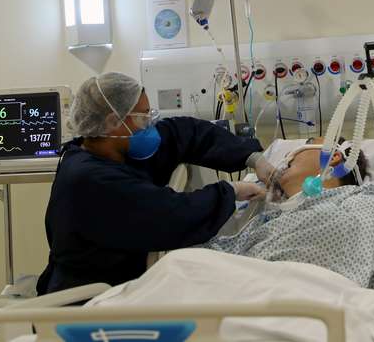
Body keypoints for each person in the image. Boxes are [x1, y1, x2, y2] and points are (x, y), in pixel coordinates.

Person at [37, 72, 268, 294]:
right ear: (113, 121)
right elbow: (172, 214)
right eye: (143, 117)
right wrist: (229, 192)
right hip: (90, 298)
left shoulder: (117, 150)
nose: (150, 123)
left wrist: (251, 156)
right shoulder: (89, 179)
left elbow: (185, 133)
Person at [202, 136, 374, 297]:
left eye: (308, 143)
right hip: (248, 299)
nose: (288, 156)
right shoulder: (265, 219)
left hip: (320, 308)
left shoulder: (368, 205)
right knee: (177, 264)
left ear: (334, 156)